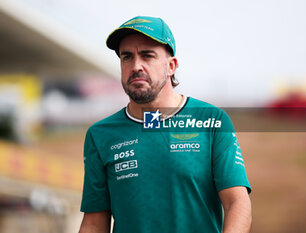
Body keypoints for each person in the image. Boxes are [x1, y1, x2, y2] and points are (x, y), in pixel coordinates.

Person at [78, 16, 252, 233]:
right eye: (127, 57)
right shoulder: (100, 135)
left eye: (147, 56)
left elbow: (237, 202)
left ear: (171, 66)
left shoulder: (212, 121)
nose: (136, 66)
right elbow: (94, 222)